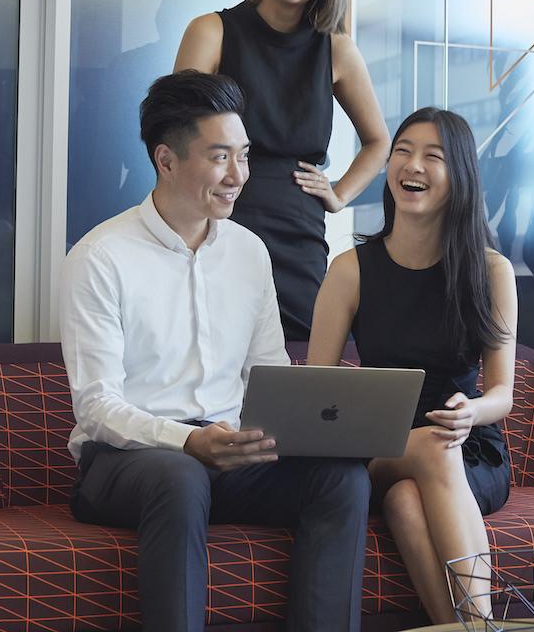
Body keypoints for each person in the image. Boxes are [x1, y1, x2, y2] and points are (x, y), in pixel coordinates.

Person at [61, 71, 370, 632]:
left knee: (341, 477)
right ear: (167, 160)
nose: (238, 176)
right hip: (127, 463)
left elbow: (269, 373)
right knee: (180, 477)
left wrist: (291, 429)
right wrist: (188, 441)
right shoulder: (100, 257)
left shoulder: (249, 252)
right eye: (220, 157)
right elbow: (97, 407)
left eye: (244, 157)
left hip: (230, 451)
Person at [307, 107, 519, 624]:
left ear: (459, 176)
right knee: (427, 449)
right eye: (402, 151)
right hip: (379, 447)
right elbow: (314, 391)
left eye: (432, 156)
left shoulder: (491, 271)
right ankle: (486, 627)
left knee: (406, 500)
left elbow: (502, 394)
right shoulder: (350, 270)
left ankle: (460, 628)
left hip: (470, 448)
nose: (411, 165)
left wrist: (472, 411)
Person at [174, 0, 390, 341]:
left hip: (298, 229)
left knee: (300, 360)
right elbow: (175, 132)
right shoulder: (211, 31)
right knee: (209, 347)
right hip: (219, 216)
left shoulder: (337, 50)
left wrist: (339, 193)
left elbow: (378, 141)